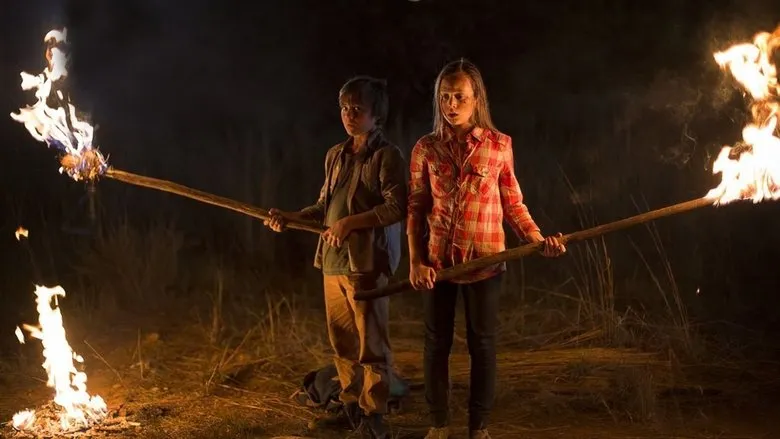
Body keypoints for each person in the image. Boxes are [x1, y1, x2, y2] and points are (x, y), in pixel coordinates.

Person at [406, 59, 567, 439]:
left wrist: (538, 240)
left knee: (482, 345)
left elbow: (513, 205)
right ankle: (438, 426)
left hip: (487, 263)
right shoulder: (426, 148)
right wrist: (415, 261)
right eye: (445, 97)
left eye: (460, 97)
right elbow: (416, 208)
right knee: (436, 344)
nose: (451, 104)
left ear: (476, 99)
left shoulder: (499, 146)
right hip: (438, 265)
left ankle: (478, 428)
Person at [265, 76, 406, 439]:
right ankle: (350, 407)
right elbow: (323, 208)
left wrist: (350, 223)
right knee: (342, 343)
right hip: (333, 263)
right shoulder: (335, 155)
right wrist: (290, 217)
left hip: (367, 266)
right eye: (344, 108)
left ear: (376, 114)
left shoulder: (386, 156)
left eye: (357, 108)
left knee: (371, 346)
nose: (349, 115)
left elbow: (396, 207)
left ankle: (374, 420)